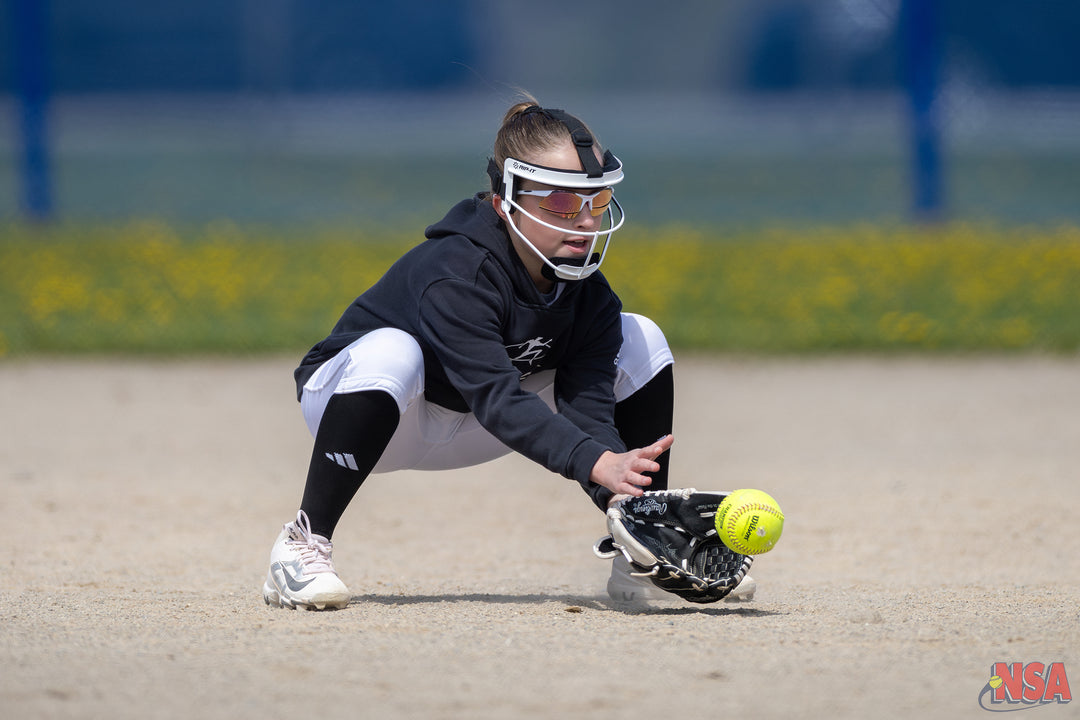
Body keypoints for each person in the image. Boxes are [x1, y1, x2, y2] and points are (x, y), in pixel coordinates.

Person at [262, 97, 754, 609]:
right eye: (563, 203)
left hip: (474, 424)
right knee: (394, 351)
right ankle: (301, 543)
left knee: (642, 337)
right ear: (506, 202)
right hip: (368, 411)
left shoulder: (589, 293)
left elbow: (587, 409)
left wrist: (613, 484)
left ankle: (647, 543)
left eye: (597, 199)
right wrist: (590, 460)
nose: (586, 222)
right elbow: (496, 397)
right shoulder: (457, 272)